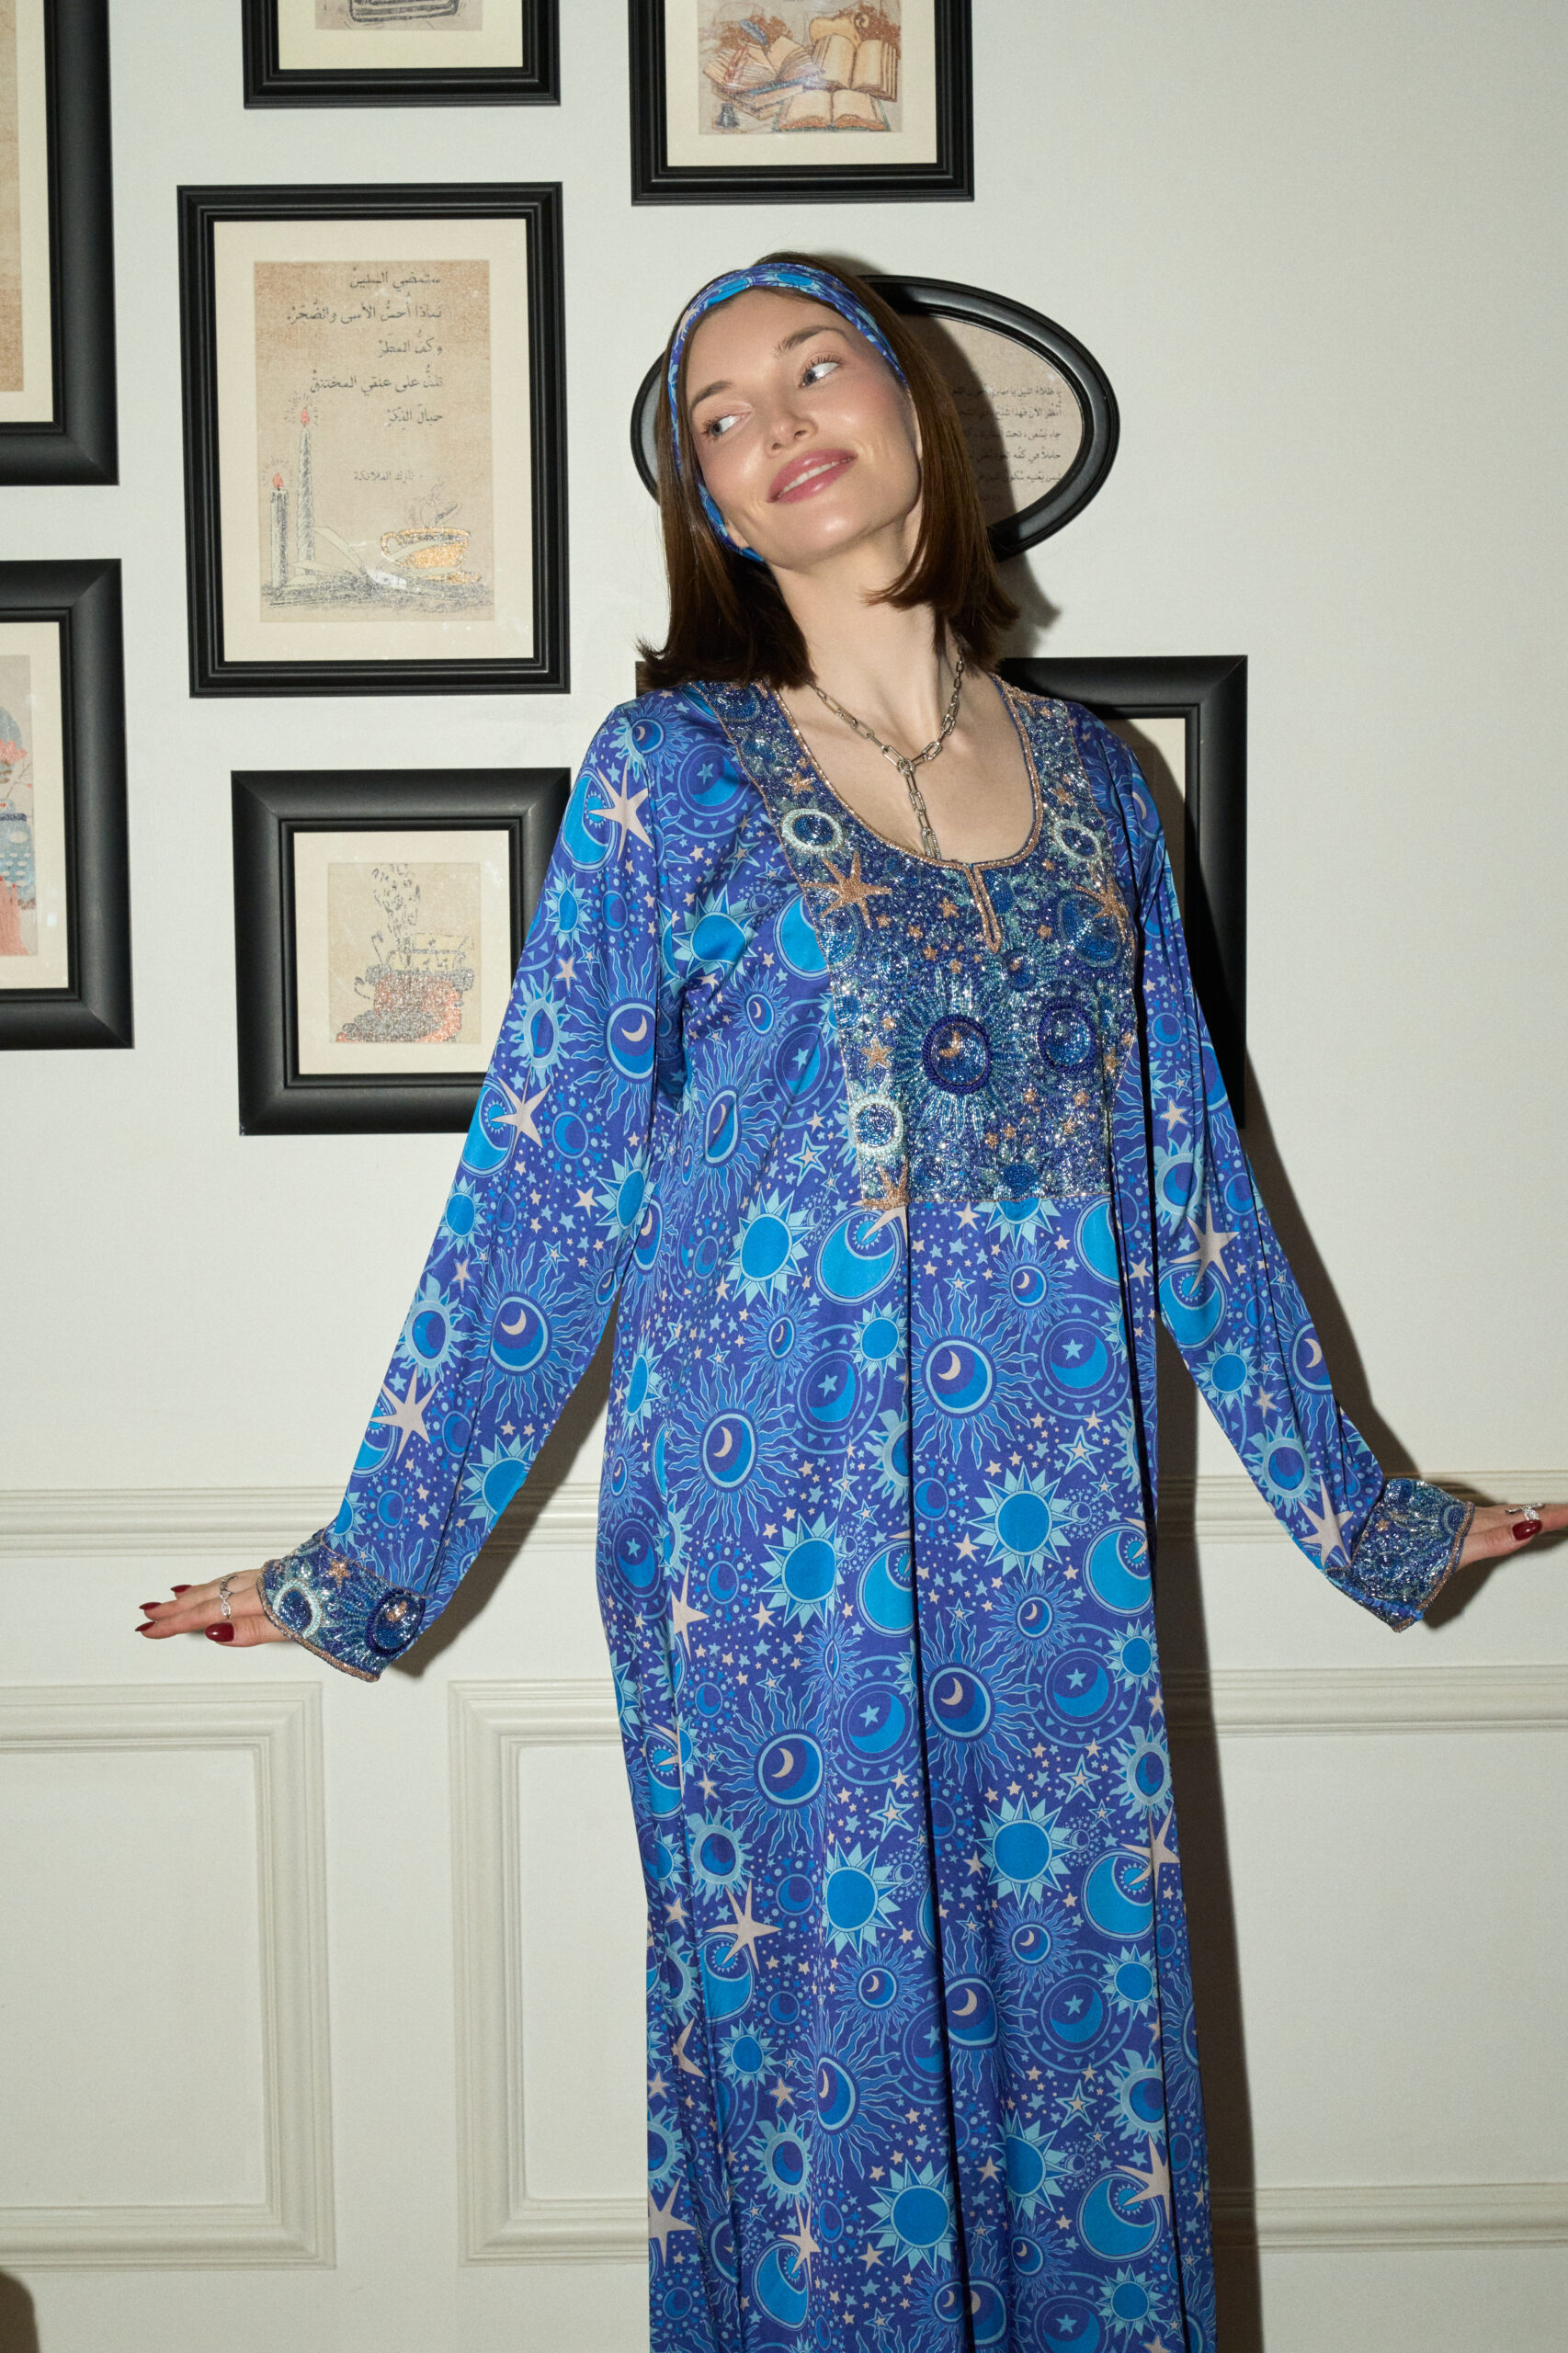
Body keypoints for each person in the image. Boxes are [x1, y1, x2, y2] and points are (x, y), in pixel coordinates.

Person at [140, 255, 1561, 2352]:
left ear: (918, 418)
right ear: (712, 511)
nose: (772, 419)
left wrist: (1372, 1511)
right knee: (829, 2103)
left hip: (1052, 1548)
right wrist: (366, 1561)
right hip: (765, 1552)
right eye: (717, 414)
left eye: (815, 367)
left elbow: (1187, 1187)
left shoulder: (1101, 785)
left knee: (1079, 2062)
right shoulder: (675, 775)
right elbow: (544, 1190)